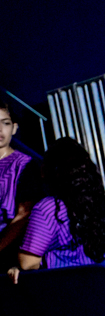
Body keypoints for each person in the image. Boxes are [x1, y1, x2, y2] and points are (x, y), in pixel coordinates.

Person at [6, 137, 105, 283]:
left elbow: (27, 262)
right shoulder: (92, 202)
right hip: (95, 284)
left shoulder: (49, 208)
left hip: (64, 288)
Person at [0, 100, 41, 267]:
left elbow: (24, 214)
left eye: (5, 123)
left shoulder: (25, 165)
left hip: (6, 254)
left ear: (14, 128)